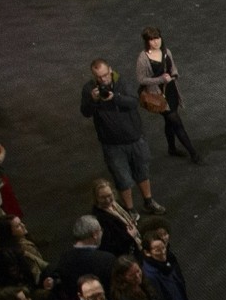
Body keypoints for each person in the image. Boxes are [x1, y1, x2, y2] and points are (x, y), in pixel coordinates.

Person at [81, 59, 162, 215]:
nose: (103, 79)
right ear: (94, 76)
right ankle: (130, 210)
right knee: (122, 179)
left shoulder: (123, 82)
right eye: (99, 77)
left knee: (142, 172)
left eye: (105, 75)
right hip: (112, 144)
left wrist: (115, 97)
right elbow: (85, 112)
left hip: (135, 138)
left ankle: (148, 201)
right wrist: (93, 100)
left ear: (110, 70)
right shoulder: (89, 89)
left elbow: (134, 102)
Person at [133, 26, 199, 163]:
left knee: (169, 122)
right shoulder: (143, 58)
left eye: (157, 38)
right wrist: (160, 79)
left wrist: (174, 75)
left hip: (170, 90)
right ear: (147, 41)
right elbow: (141, 79)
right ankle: (193, 153)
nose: (156, 42)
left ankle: (171, 148)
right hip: (157, 94)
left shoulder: (166, 51)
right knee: (176, 122)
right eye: (152, 39)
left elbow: (172, 68)